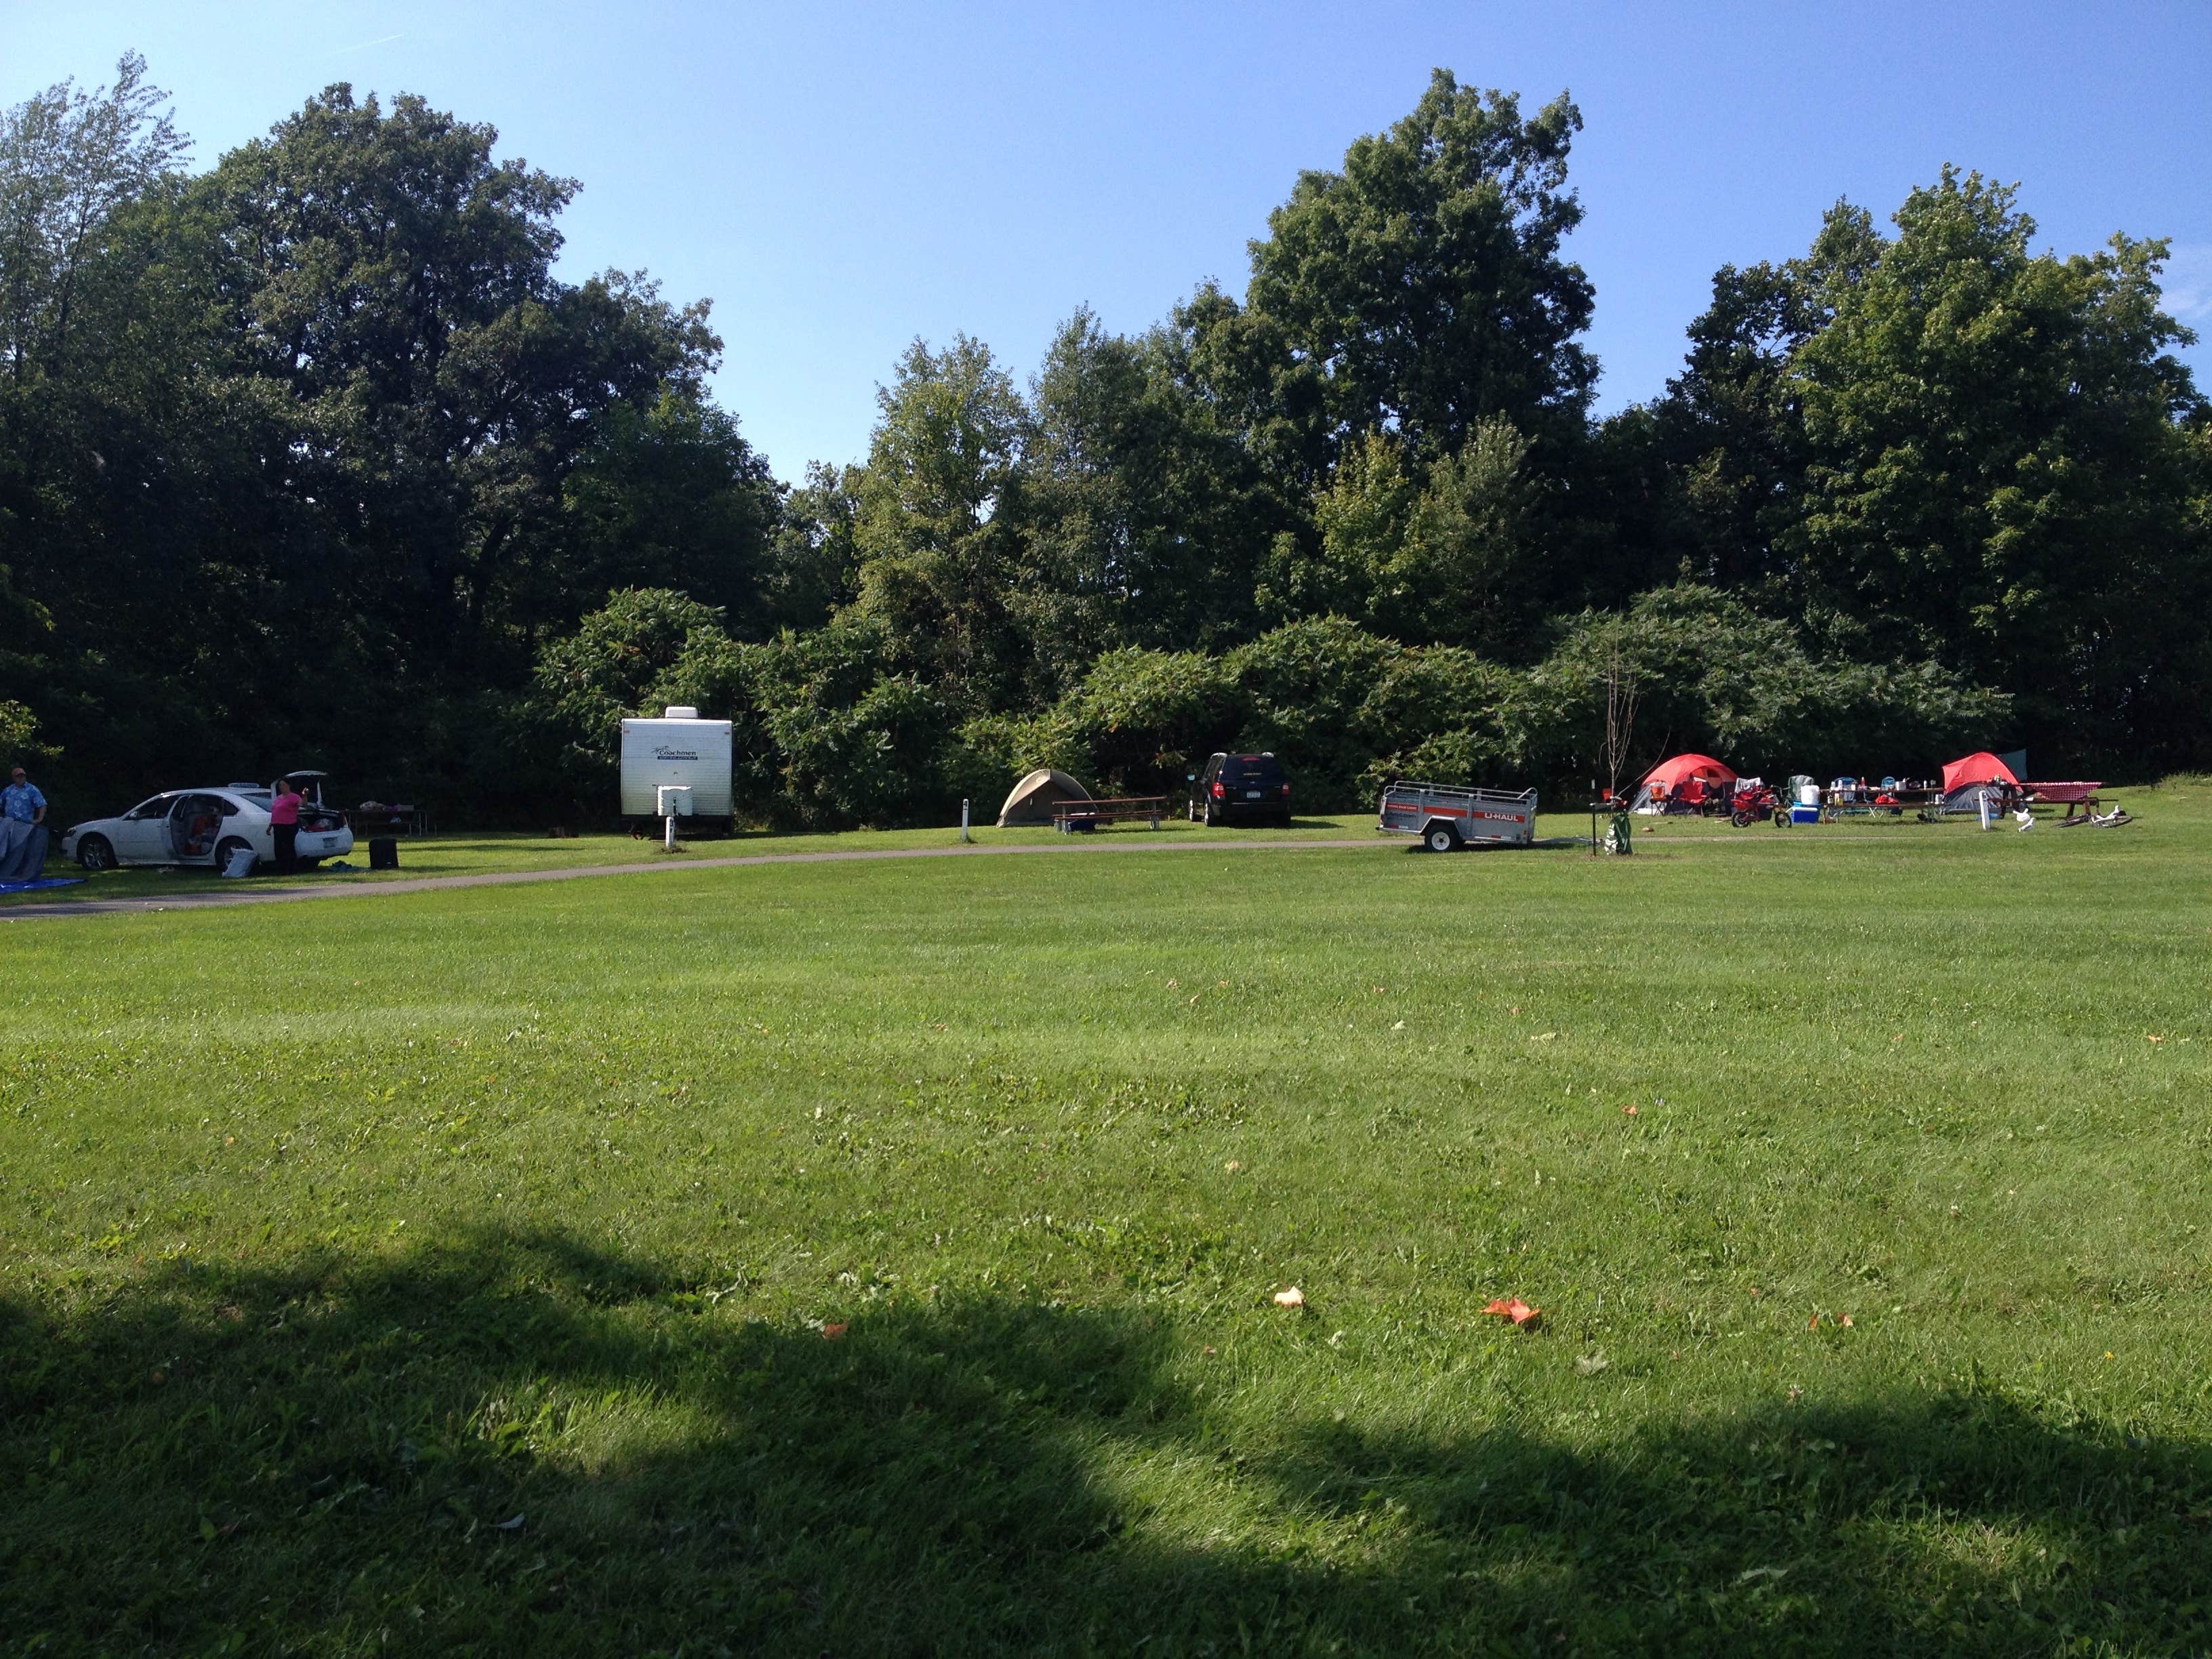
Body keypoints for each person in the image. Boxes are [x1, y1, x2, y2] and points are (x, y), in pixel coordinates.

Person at [268, 777, 304, 874]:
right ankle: (281, 869)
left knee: (288, 848)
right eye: (280, 785)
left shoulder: (294, 797)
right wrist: (270, 826)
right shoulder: (278, 798)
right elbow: (275, 813)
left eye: (284, 785)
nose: (282, 787)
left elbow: (302, 804)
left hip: (289, 826)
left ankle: (291, 869)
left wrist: (305, 796)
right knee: (278, 848)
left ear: (289, 786)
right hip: (277, 825)